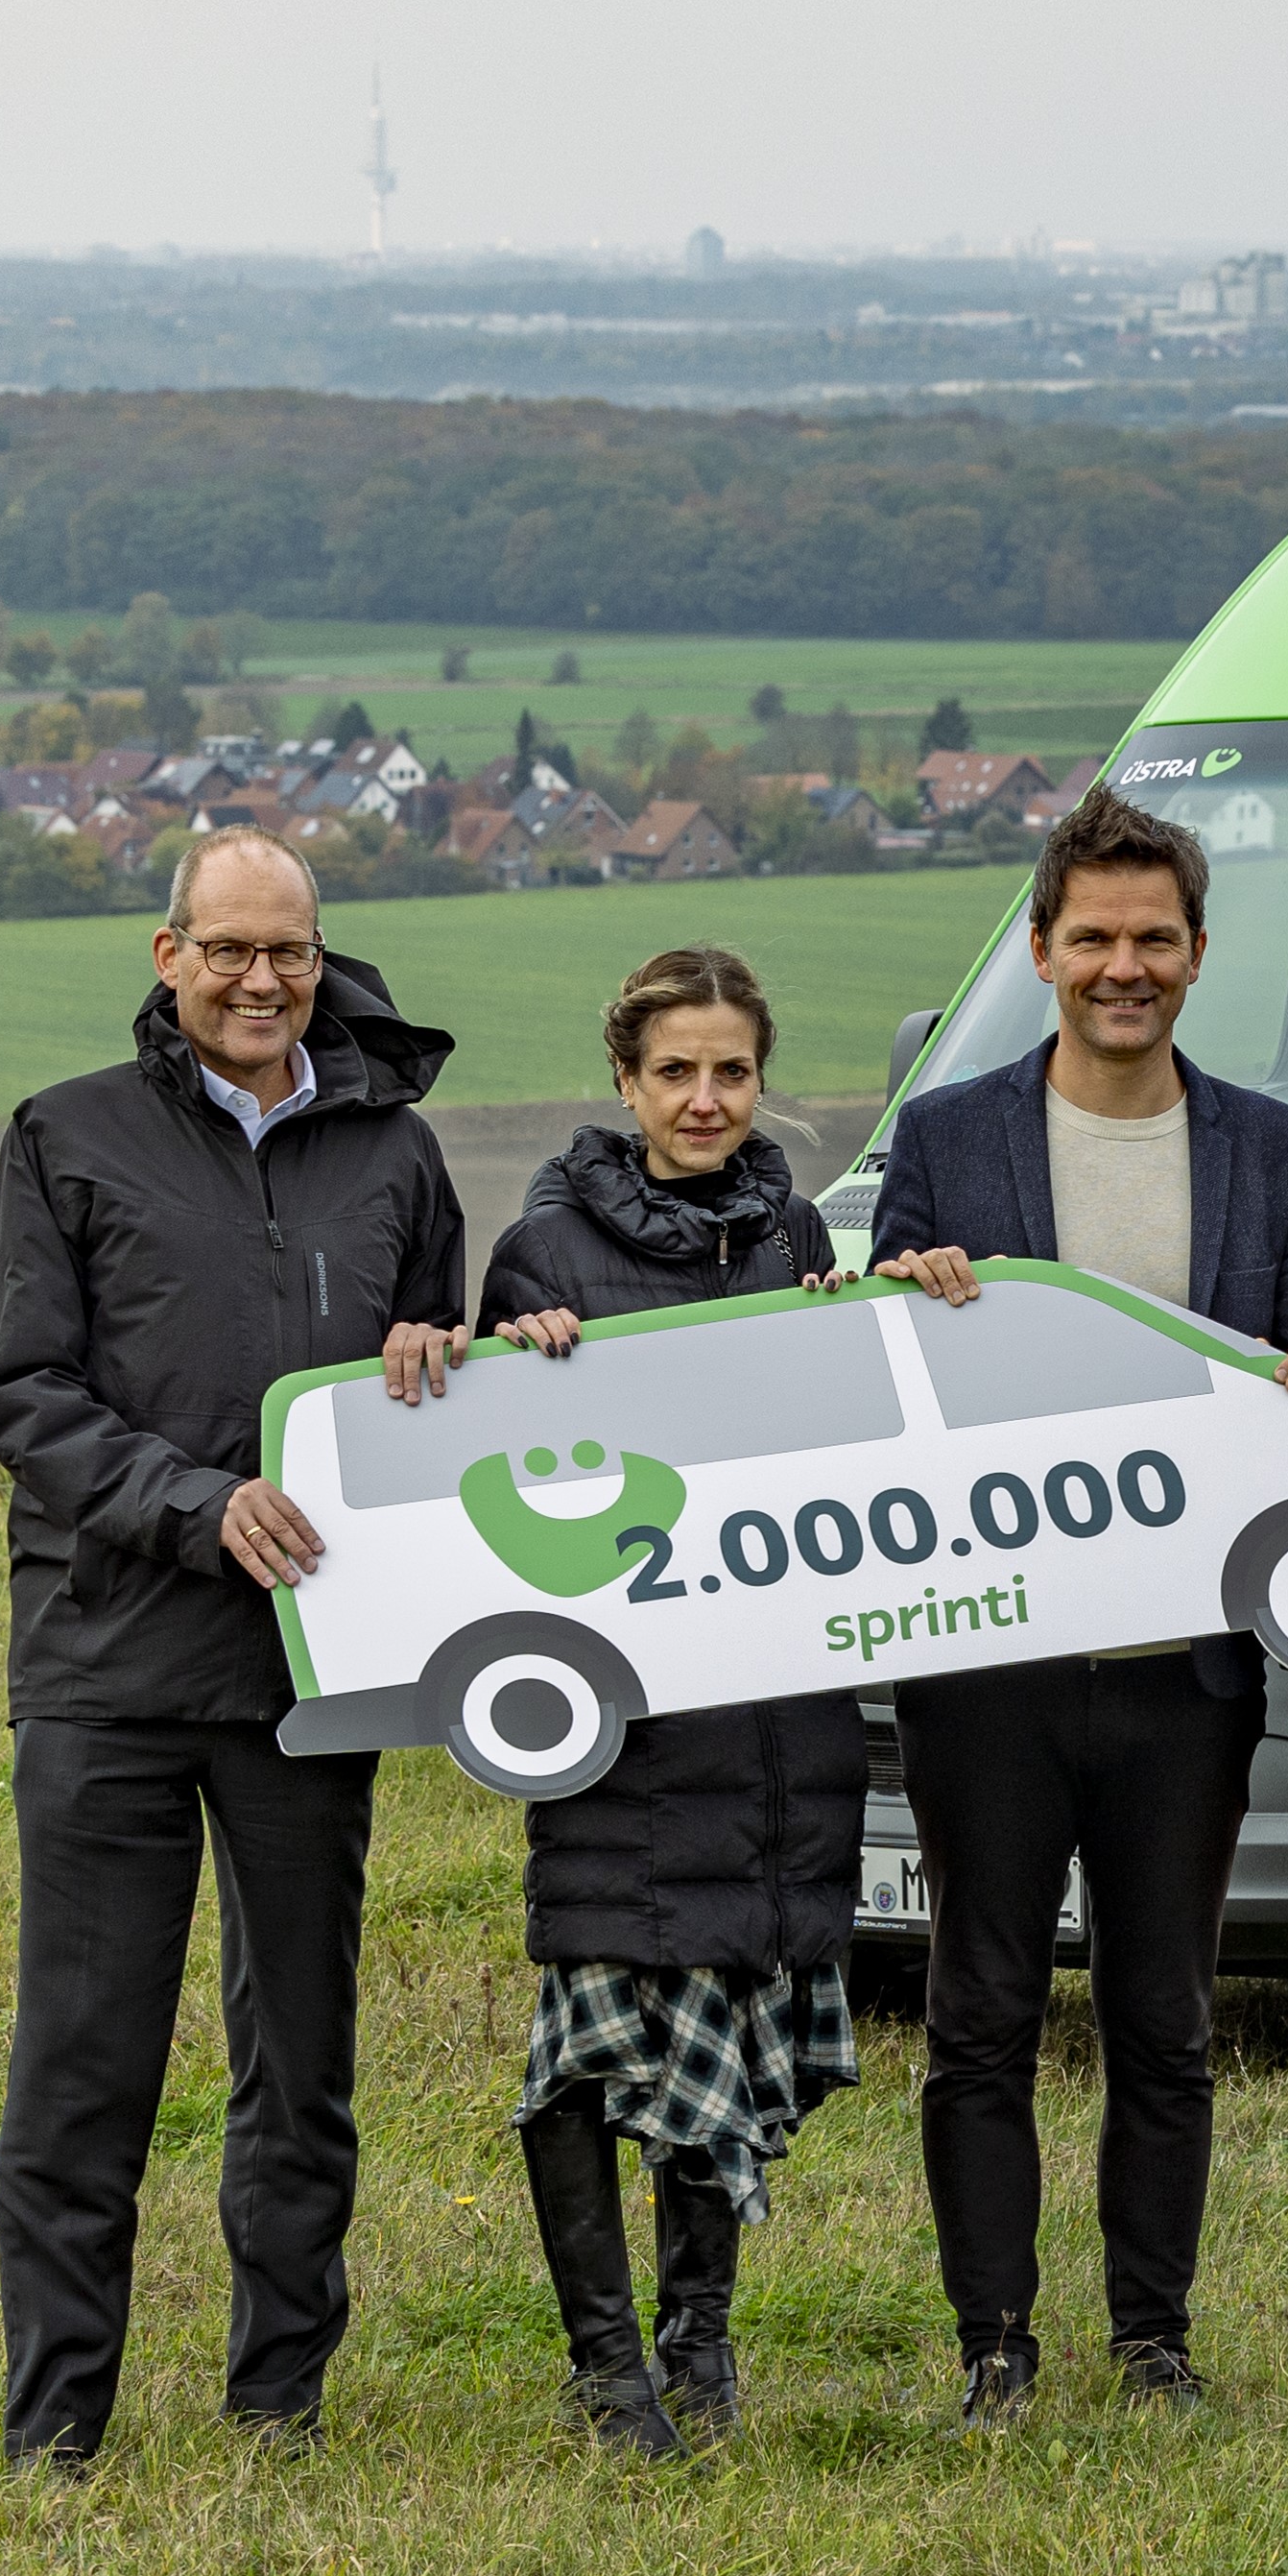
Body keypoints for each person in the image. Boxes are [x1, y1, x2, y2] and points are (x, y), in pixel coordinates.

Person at [0, 830, 468, 2468]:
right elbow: (26, 1396)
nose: (263, 981)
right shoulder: (64, 1136)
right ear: (167, 951)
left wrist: (443, 1355)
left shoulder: (395, 1153)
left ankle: (278, 2400)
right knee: (86, 2059)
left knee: (301, 2056)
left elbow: (437, 1390)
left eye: (292, 953)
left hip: (311, 1676)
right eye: (230, 950)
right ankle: (58, 2422)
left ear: (322, 959)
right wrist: (195, 1505)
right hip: (109, 1668)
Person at [870, 784, 1288, 2427]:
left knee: (1166, 2016)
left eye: (1153, 939)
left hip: (1187, 1672)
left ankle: (1154, 2338)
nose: (1121, 966)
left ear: (1198, 953)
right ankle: (992, 2342)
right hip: (989, 1669)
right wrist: (900, 1296)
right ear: (1040, 946)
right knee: (979, 2009)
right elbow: (882, 1395)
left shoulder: (1282, 1157)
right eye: (1093, 939)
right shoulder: (946, 1139)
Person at [473, 946, 866, 2456]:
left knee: (734, 2013)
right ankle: (604, 2366)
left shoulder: (795, 1234)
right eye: (675, 1072)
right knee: (588, 2040)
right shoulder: (545, 1250)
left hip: (777, 1716)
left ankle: (699, 2345)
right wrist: (523, 1364)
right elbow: (488, 1481)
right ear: (625, 1082)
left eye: (733, 1071)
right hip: (626, 1730)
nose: (706, 1098)